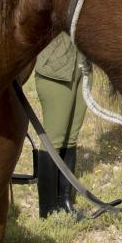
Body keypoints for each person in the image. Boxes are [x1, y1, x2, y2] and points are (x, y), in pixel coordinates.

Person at [34, 32, 87, 218]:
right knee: (53, 140)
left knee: (71, 137)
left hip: (82, 65)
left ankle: (64, 201)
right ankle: (47, 209)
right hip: (56, 69)